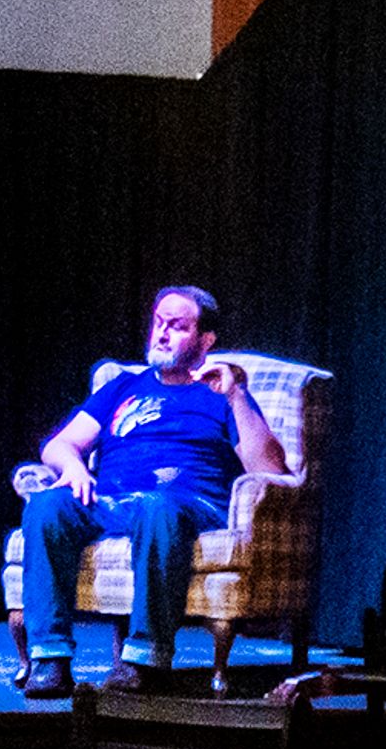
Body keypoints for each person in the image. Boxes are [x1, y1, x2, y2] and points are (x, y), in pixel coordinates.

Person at [17, 285, 287, 699]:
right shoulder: (123, 387)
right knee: (46, 505)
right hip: (110, 503)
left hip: (184, 504)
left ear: (205, 340)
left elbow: (268, 469)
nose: (161, 333)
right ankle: (50, 660)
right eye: (158, 323)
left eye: (176, 326)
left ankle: (144, 660)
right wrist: (73, 468)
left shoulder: (219, 394)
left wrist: (236, 394)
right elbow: (58, 444)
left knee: (155, 507)